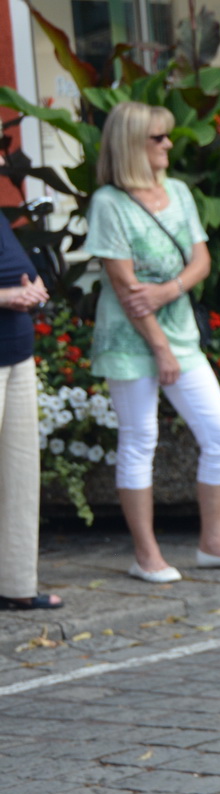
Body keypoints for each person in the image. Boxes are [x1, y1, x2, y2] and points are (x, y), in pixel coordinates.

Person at [87, 102, 220, 580]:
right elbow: (125, 290)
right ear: (132, 145)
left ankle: (213, 541)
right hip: (129, 339)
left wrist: (168, 289)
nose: (168, 145)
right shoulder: (108, 202)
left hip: (181, 331)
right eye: (157, 138)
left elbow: (201, 260)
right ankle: (147, 555)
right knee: (140, 438)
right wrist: (159, 346)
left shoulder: (179, 192)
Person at [1, 206, 60, 609]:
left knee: (20, 475)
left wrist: (33, 286)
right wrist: (6, 295)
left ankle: (16, 583)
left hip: (16, 352)